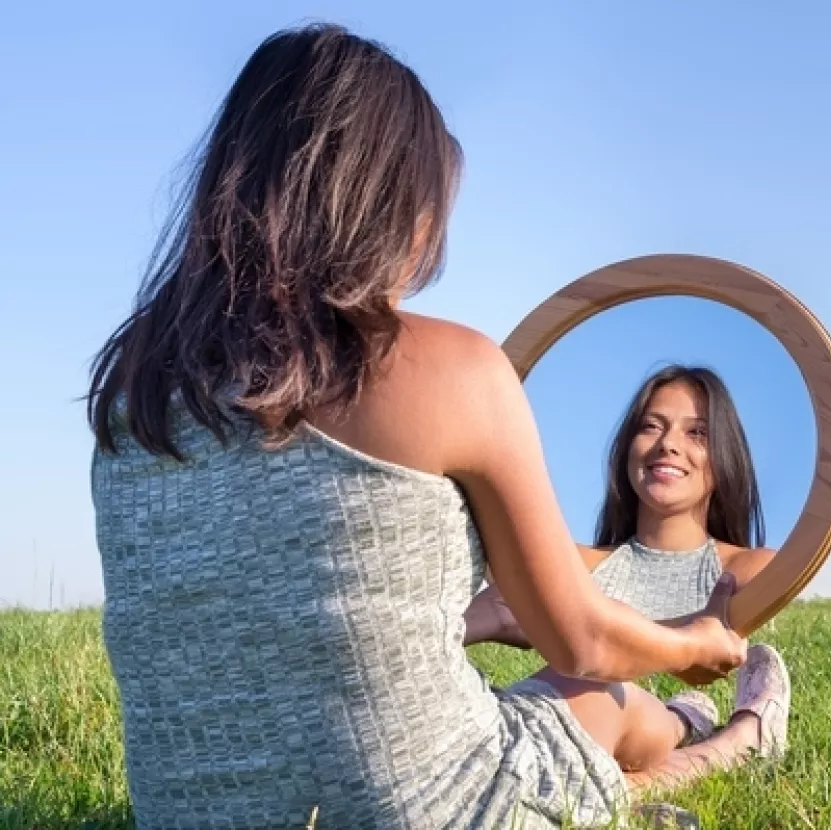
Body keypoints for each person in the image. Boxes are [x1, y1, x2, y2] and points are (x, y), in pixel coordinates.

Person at [86, 23, 789, 830]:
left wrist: (481, 615)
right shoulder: (448, 368)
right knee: (593, 696)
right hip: (425, 812)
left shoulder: (130, 393)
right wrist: (699, 645)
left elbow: (272, 613)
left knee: (540, 706)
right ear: (389, 203)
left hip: (185, 815)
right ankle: (728, 739)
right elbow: (586, 642)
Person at [466, 365, 790, 767]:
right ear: (627, 450)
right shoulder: (574, 563)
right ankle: (708, 733)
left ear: (725, 456)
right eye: (651, 427)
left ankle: (692, 723)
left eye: (697, 433)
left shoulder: (753, 570)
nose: (668, 444)